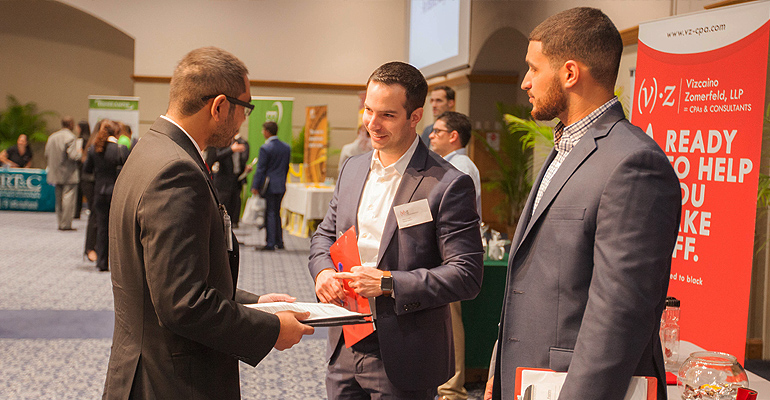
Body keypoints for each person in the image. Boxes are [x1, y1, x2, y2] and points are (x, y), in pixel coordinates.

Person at [484, 8, 681, 400]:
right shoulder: (562, 149)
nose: (525, 82)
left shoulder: (634, 164)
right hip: (528, 381)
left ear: (569, 73)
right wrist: (498, 372)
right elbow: (532, 283)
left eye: (533, 68)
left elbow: (618, 315)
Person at [102, 47, 314, 399]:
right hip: (171, 381)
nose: (244, 120)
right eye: (245, 107)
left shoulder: (151, 148)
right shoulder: (176, 171)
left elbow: (168, 277)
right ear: (219, 106)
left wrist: (255, 303)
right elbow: (183, 303)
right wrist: (271, 328)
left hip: (146, 367)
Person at [309, 61, 483, 400]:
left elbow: (467, 275)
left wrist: (388, 283)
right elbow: (324, 235)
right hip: (344, 341)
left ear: (415, 116)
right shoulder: (353, 167)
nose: (372, 124)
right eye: (368, 111)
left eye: (387, 115)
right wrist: (322, 272)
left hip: (405, 350)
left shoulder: (447, 183)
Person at [428, 111, 481, 400]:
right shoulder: (447, 164)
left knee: (451, 321)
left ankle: (453, 388)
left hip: (451, 257)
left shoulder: (461, 168)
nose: (431, 136)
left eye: (437, 131)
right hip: (439, 255)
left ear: (454, 137)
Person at [82, 120, 129, 271]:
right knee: (116, 230)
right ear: (116, 133)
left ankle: (102, 263)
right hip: (115, 193)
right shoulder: (120, 149)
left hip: (99, 193)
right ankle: (116, 264)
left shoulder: (94, 149)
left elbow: (87, 170)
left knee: (101, 228)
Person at [250, 121, 290, 251]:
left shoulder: (265, 148)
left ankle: (271, 242)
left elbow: (261, 169)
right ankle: (279, 241)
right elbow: (285, 168)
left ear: (267, 131)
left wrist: (255, 185)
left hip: (270, 186)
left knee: (270, 213)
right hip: (281, 185)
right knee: (276, 212)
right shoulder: (286, 148)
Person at [45, 116, 82, 231]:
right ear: (70, 124)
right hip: (68, 175)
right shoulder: (70, 137)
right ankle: (66, 225)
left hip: (55, 174)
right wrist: (81, 153)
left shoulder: (52, 137)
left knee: (58, 200)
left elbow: (46, 153)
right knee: (68, 200)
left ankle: (60, 223)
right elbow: (73, 156)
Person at [209, 135, 251, 229]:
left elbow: (240, 161)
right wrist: (231, 149)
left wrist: (245, 168)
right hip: (223, 181)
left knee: (234, 205)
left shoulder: (240, 142)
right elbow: (215, 157)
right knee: (223, 207)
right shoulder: (221, 143)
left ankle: (233, 229)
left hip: (236, 179)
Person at [81, 120, 99, 262]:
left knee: (96, 215)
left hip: (91, 182)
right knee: (94, 214)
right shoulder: (94, 145)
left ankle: (93, 248)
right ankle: (89, 248)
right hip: (90, 182)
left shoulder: (92, 143)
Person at [74, 120, 90, 219]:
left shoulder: (80, 140)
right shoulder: (91, 139)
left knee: (79, 192)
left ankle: (76, 212)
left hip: (80, 168)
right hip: (88, 169)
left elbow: (78, 154)